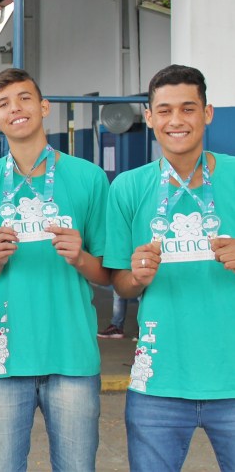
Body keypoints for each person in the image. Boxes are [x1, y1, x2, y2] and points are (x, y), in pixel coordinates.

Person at [0, 68, 109, 471]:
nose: (16, 108)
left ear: (43, 107)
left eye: (24, 98)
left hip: (72, 353)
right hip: (2, 356)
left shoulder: (89, 178)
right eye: (3, 104)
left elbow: (107, 275)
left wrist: (80, 257)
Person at [104, 64, 235, 470]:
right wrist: (136, 276)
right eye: (164, 110)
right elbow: (121, 284)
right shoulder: (128, 187)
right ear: (149, 117)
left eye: (188, 108)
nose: (176, 120)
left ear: (207, 113)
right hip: (157, 381)